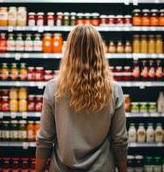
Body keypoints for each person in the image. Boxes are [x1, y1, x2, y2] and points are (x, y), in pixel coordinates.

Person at [36, 24, 128, 172]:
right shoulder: (114, 90)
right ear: (99, 51)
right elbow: (120, 141)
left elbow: (45, 139)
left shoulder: (53, 88)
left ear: (69, 51)